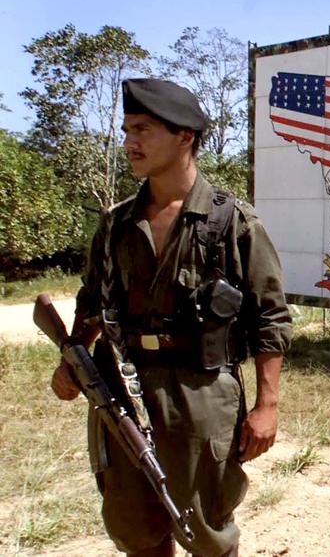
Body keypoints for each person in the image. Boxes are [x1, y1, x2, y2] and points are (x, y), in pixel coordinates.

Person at [50, 78, 292, 556]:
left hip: (201, 392)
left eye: (142, 129)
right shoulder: (116, 223)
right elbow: (92, 300)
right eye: (125, 130)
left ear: (185, 136)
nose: (129, 142)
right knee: (135, 526)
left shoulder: (233, 223)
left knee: (206, 529)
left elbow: (270, 318)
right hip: (122, 388)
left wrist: (267, 405)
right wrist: (71, 358)